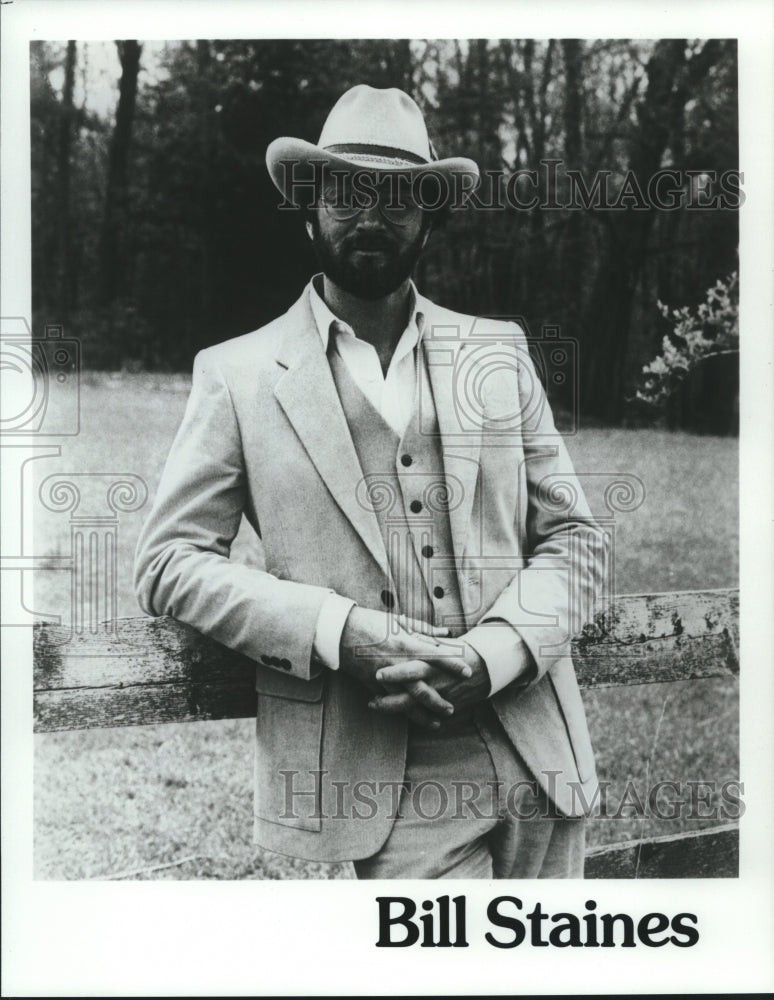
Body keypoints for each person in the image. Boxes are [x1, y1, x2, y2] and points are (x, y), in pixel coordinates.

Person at [134, 84, 608, 879]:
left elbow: (576, 541)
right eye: (346, 190)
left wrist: (492, 655)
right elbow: (169, 561)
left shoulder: (499, 351)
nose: (371, 215)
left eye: (399, 194)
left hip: (540, 759)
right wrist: (333, 631)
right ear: (309, 204)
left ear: (430, 213)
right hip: (381, 788)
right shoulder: (238, 375)